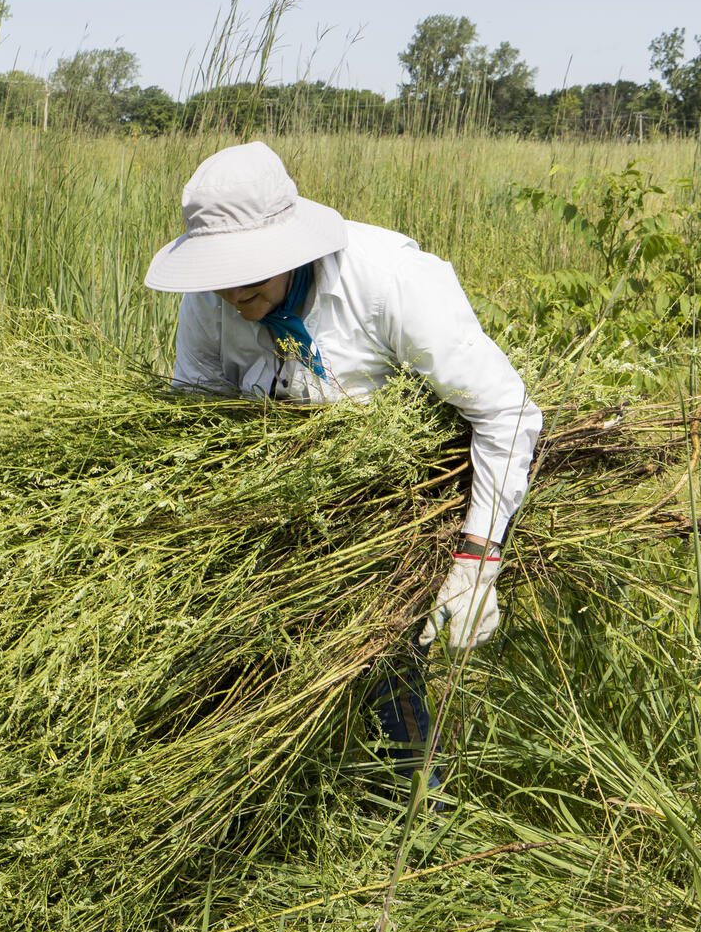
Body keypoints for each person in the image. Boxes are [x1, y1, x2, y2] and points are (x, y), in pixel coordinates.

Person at [143, 141, 543, 782]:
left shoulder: (390, 282)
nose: (226, 294)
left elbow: (507, 413)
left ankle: (422, 817)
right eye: (218, 276)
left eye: (243, 277)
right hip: (278, 503)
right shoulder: (214, 297)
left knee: (390, 664)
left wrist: (476, 561)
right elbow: (201, 413)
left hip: (395, 505)